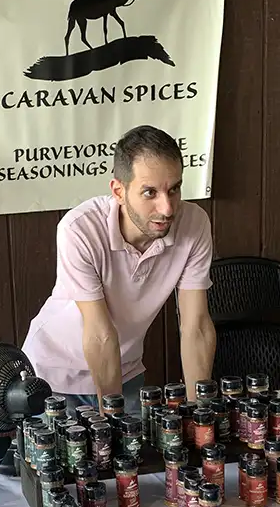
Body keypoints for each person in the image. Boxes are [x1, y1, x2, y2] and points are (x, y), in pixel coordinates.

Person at [21, 125, 216, 414]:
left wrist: (201, 416)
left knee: (142, 456)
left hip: (125, 370)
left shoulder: (194, 224)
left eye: (174, 189)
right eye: (150, 192)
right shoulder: (80, 229)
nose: (167, 208)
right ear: (119, 191)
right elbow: (100, 334)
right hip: (54, 376)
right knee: (99, 450)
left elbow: (196, 327)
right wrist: (111, 424)